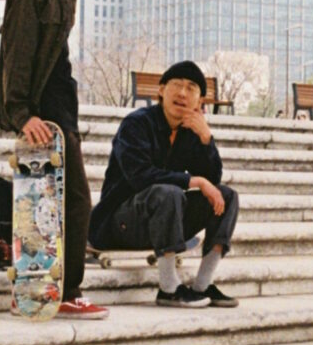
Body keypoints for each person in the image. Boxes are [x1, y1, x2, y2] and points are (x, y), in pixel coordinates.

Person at [0, 0, 108, 319]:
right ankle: (66, 291)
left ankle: (44, 290)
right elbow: (16, 55)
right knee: (72, 201)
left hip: (60, 107)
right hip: (38, 109)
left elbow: (57, 57)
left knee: (54, 202)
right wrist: (21, 114)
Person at [89, 61, 240, 307]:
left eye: (191, 88)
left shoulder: (191, 131)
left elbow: (212, 184)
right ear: (161, 90)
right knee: (168, 193)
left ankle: (203, 285)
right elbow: (140, 176)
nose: (182, 93)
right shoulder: (136, 124)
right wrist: (194, 180)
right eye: (176, 85)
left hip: (163, 222)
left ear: (200, 101)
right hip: (120, 223)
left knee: (227, 196)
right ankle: (169, 288)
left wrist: (206, 139)